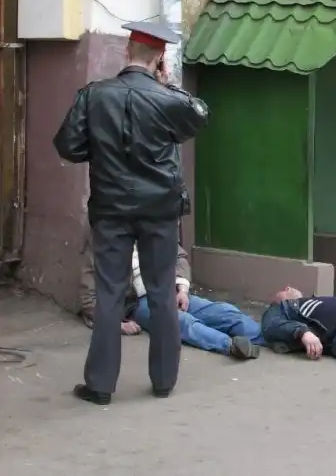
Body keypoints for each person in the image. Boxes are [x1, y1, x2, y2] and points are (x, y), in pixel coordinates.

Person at [53, 20, 209, 406]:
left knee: (109, 293)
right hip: (159, 211)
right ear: (160, 58)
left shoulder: (93, 95)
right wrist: (169, 84)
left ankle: (100, 386)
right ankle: (163, 381)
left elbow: (68, 146)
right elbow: (199, 116)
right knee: (161, 291)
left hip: (110, 210)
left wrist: (100, 149)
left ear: (127, 50)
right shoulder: (168, 99)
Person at [79, 226, 262, 359]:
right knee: (180, 322)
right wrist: (116, 324)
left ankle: (268, 336)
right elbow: (88, 296)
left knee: (221, 311)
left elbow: (178, 256)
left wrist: (182, 289)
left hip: (168, 288)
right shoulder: (101, 237)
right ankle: (231, 346)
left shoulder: (153, 224)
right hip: (138, 302)